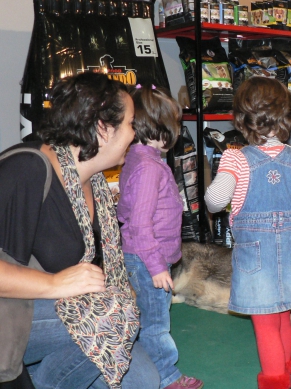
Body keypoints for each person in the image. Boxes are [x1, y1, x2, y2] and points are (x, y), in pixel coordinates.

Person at [0, 72, 160, 388]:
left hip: (45, 308)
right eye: (130, 123)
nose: (134, 133)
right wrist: (55, 283)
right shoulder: (27, 169)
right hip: (13, 312)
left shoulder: (94, 183)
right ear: (103, 128)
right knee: (112, 317)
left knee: (142, 380)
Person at [204, 77, 291, 389]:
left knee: (264, 322)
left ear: (241, 120)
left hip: (255, 256)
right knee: (283, 311)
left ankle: (276, 380)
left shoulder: (235, 158)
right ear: (287, 117)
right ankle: (286, 363)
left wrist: (229, 208)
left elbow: (214, 200)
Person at [117, 84, 203, 389]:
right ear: (161, 126)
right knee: (156, 323)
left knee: (147, 317)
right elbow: (139, 226)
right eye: (175, 124)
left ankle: (145, 365)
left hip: (143, 257)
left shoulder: (140, 159)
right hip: (147, 261)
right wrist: (156, 267)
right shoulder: (149, 168)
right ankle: (167, 377)